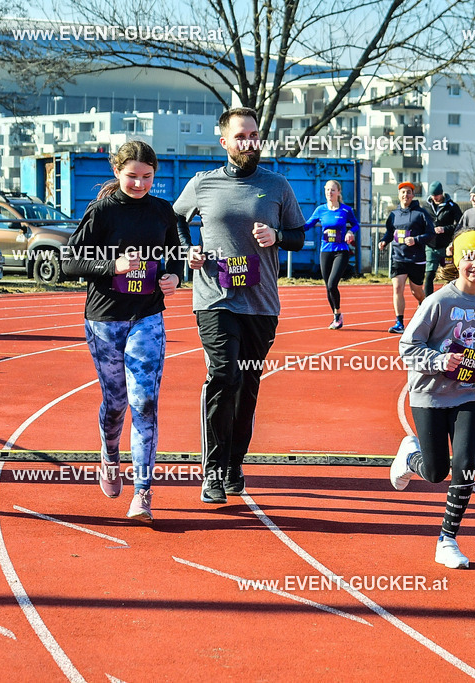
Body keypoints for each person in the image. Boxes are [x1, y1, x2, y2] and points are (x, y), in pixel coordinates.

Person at [173, 107, 306, 504]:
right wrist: (188, 249)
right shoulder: (203, 183)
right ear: (225, 142)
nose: (249, 142)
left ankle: (234, 464)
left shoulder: (277, 185)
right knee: (224, 376)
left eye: (254, 135)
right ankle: (213, 471)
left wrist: (276, 236)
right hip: (215, 298)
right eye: (241, 136)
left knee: (247, 384)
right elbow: (174, 219)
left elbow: (298, 236)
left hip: (261, 303)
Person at [62, 141, 183, 522]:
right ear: (117, 172)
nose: (140, 184)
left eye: (147, 177)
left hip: (147, 316)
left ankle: (142, 492)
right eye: (132, 176)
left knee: (144, 403)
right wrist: (112, 266)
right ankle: (110, 452)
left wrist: (174, 277)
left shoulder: (162, 211)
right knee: (116, 403)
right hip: (105, 319)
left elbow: (176, 255)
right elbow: (69, 262)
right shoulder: (102, 211)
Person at [390, 228, 475, 568]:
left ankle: (447, 540)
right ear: (458, 261)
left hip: (467, 396)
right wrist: (439, 361)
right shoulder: (438, 302)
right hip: (429, 395)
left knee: (466, 468)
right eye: (469, 257)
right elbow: (407, 347)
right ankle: (410, 456)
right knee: (435, 471)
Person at [378, 182, 433, 333]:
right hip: (398, 257)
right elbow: (390, 232)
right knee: (397, 287)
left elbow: (431, 233)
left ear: (413, 195)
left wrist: (416, 239)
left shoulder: (421, 213)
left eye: (408, 192)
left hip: (416, 258)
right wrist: (384, 241)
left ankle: (425, 305)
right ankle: (399, 323)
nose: (405, 195)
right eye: (403, 192)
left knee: (416, 292)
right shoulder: (394, 214)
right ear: (399, 195)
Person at [304, 179, 360, 329]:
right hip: (325, 251)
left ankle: (338, 314)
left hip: (341, 251)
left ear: (339, 192)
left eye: (333, 190)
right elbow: (308, 225)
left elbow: (356, 224)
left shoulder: (346, 210)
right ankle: (337, 315)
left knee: (332, 284)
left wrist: (350, 232)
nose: (330, 192)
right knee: (328, 287)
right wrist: (293, 227)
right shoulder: (320, 210)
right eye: (327, 190)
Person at [421, 181, 463, 297]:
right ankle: (428, 300)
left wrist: (444, 229)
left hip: (446, 247)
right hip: (431, 246)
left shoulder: (452, 206)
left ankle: (452, 298)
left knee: (449, 275)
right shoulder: (426, 207)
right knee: (429, 275)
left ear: (442, 193)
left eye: (437, 195)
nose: (435, 198)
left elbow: (460, 225)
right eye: (433, 195)